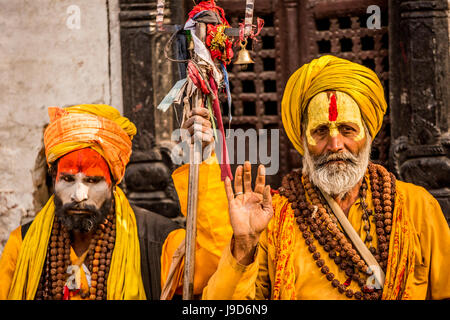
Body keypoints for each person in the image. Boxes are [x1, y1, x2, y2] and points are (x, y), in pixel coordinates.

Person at [202, 55, 450, 300]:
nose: (335, 144)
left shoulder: (416, 207)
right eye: (320, 131)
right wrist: (245, 243)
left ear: (368, 134)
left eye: (347, 129)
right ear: (302, 141)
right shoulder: (274, 220)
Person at [0, 104, 231, 300]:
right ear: (54, 177)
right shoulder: (22, 244)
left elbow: (216, 263)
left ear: (113, 181)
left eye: (93, 180)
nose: (79, 194)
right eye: (68, 179)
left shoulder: (158, 241)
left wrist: (203, 160)